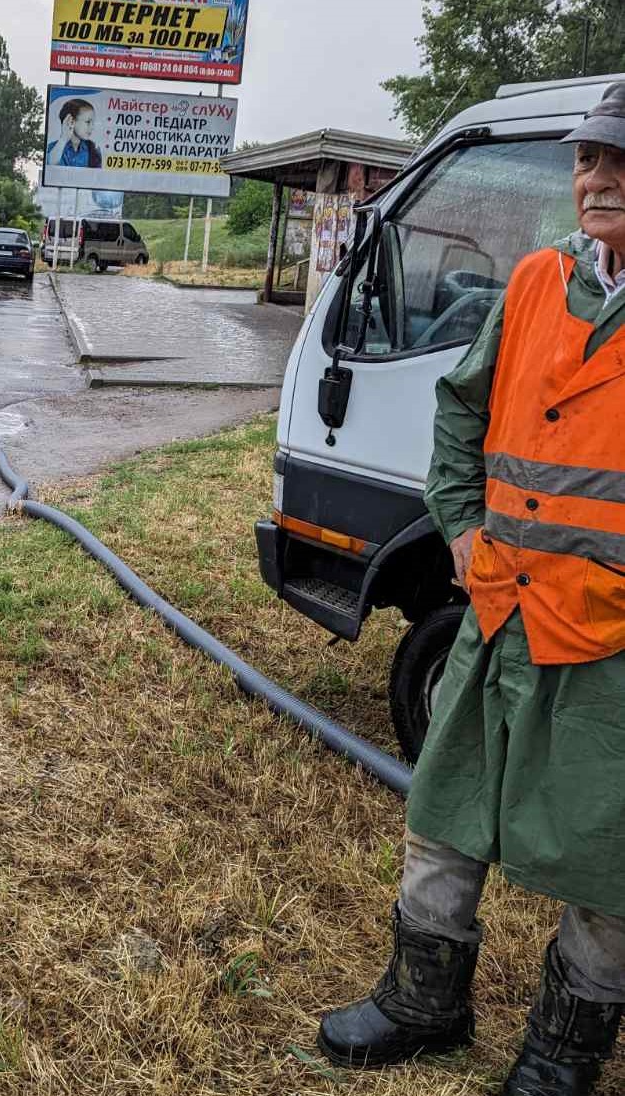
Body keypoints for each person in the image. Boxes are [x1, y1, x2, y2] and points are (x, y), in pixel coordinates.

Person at [317, 81, 625, 1096]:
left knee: (606, 859)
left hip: (609, 646)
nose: (597, 178)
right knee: (441, 814)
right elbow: (460, 410)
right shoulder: (537, 280)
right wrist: (458, 530)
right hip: (498, 611)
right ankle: (421, 1000)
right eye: (588, 158)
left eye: (620, 163)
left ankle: (558, 1053)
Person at [46, 98, 103, 169]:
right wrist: (63, 139)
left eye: (93, 123)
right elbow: (49, 165)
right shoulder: (53, 148)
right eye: (88, 122)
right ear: (71, 121)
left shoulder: (94, 150)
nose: (92, 127)